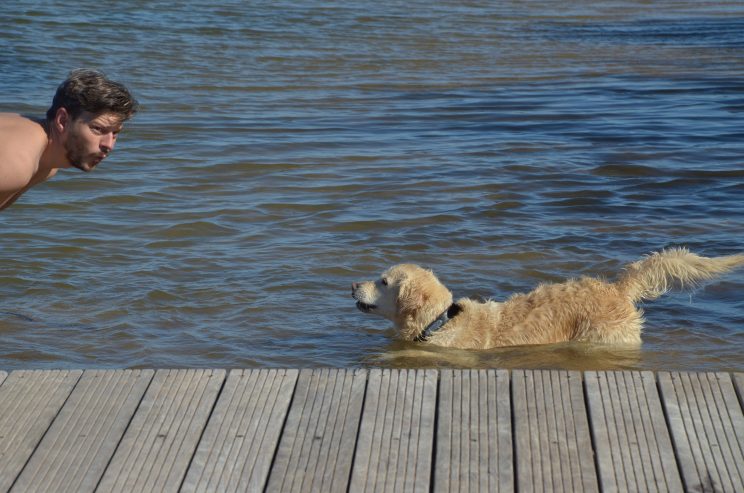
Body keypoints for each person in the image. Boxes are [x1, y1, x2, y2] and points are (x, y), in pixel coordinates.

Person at [0, 69, 138, 211]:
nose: (108, 145)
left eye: (115, 133)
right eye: (97, 129)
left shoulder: (47, 165)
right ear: (63, 120)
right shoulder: (17, 163)